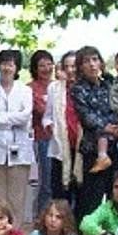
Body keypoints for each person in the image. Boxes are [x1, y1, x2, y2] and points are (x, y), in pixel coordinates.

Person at [0, 49, 34, 227]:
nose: (7, 68)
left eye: (11, 64)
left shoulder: (25, 90)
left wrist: (0, 117)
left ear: (17, 67)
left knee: (17, 198)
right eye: (4, 64)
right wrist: (12, 118)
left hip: (20, 149)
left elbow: (25, 116)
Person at [71, 46, 118, 220]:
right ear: (80, 66)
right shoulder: (78, 89)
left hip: (117, 148)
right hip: (93, 151)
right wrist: (112, 128)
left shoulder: (110, 84)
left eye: (95, 60)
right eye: (86, 61)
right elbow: (88, 118)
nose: (92, 65)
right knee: (90, 200)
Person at [42, 51, 83, 207]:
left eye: (73, 66)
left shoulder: (86, 87)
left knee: (81, 195)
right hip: (60, 149)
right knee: (60, 196)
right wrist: (50, 125)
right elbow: (47, 116)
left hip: (82, 149)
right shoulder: (55, 88)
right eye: (66, 67)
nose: (70, 70)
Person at [28, 49, 56, 213]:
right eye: (41, 65)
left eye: (49, 64)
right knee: (46, 180)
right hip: (43, 138)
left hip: (63, 139)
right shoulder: (30, 88)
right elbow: (41, 110)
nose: (46, 68)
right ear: (35, 68)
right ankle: (41, 215)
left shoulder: (58, 86)